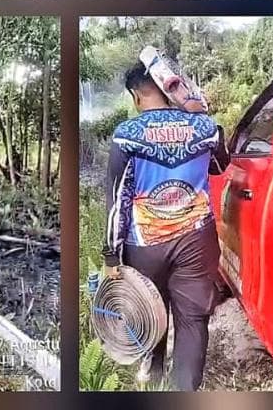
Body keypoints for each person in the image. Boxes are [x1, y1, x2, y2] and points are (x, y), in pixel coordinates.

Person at [102, 60, 229, 391]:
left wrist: (111, 256)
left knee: (150, 307)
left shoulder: (126, 135)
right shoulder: (205, 128)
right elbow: (219, 165)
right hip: (196, 241)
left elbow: (117, 201)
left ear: (136, 95)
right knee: (192, 320)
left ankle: (153, 368)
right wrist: (199, 111)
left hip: (144, 244)